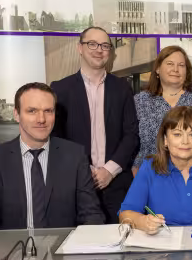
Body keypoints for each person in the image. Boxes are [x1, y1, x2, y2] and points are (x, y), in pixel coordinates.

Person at [0, 83, 104, 231]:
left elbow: (91, 215)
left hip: (62, 250)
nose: (41, 119)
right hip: (11, 251)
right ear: (17, 115)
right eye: (32, 111)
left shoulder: (75, 156)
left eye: (48, 111)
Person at [51, 26, 140, 223]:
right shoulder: (60, 89)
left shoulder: (122, 88)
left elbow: (131, 134)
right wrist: (85, 170)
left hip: (117, 184)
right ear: (79, 48)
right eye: (92, 44)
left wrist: (109, 170)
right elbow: (57, 138)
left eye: (105, 45)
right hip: (76, 184)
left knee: (122, 245)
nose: (99, 49)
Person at [134, 45, 192, 175]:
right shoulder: (140, 101)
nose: (175, 69)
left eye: (181, 65)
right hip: (154, 176)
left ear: (187, 71)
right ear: (157, 69)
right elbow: (132, 141)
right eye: (170, 64)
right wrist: (136, 170)